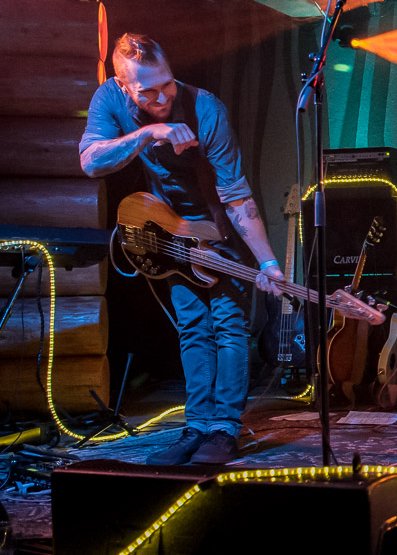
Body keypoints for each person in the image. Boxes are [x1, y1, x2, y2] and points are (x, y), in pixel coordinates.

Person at [80, 34, 284, 465]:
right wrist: (150, 130)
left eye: (166, 85)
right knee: (192, 325)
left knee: (228, 325)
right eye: (147, 91)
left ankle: (224, 429)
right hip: (169, 230)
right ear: (123, 87)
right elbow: (91, 161)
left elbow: (235, 193)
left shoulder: (207, 109)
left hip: (222, 227)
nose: (160, 97)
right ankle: (196, 426)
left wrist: (267, 260)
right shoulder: (109, 99)